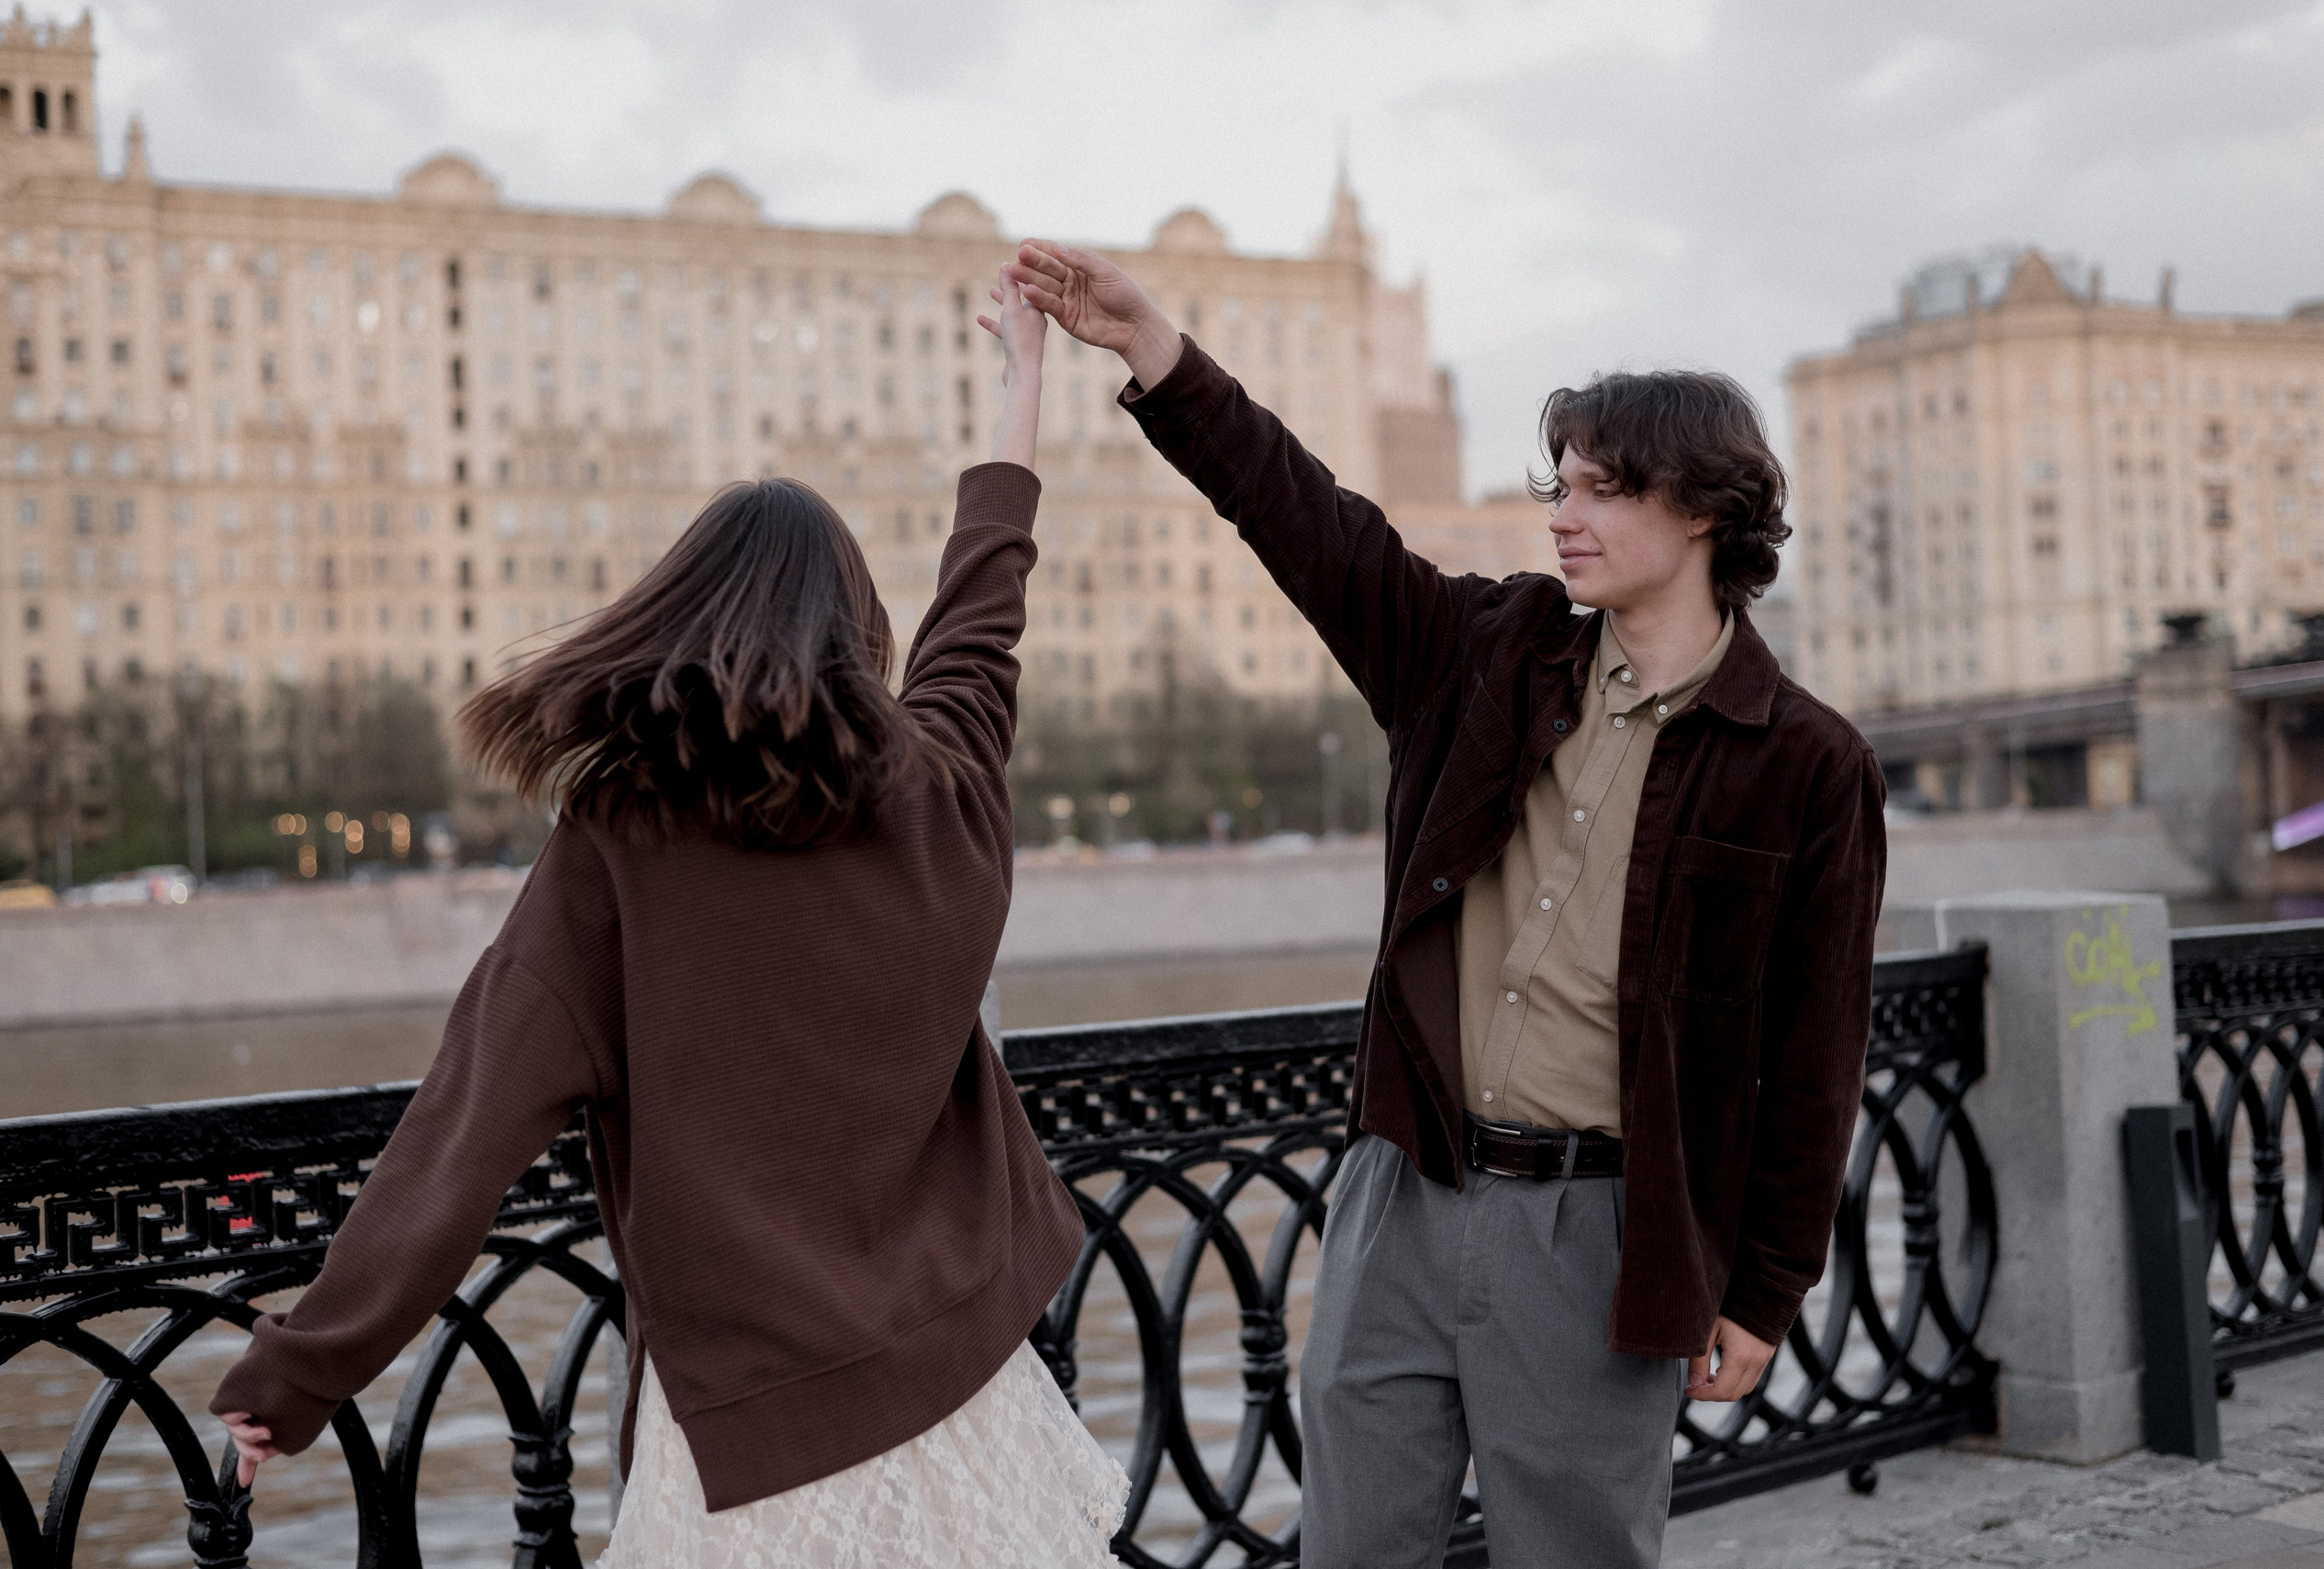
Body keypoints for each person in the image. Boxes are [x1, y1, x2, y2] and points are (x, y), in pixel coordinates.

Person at [211, 266, 1131, 1567]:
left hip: (746, 1461)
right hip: (961, 1410)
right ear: (859, 630)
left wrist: (300, 1371)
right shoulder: (941, 793)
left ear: (680, 620)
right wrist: (1021, 380)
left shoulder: (617, 845)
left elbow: (459, 1140)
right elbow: (986, 606)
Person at [1004, 241, 1884, 1568]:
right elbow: (1308, 522)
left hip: (1602, 1230)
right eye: (1562, 485)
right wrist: (1155, 353)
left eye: (1603, 489)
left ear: (1704, 510)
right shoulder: (1485, 653)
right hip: (1404, 1191)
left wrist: (1764, 1290)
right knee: (1355, 1551)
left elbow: (1814, 1053)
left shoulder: (1809, 763)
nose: (1564, 514)